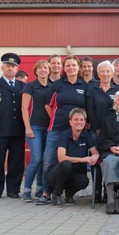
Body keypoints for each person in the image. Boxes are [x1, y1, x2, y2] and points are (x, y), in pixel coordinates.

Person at [37, 55, 88, 205]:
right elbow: (48, 105)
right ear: (63, 68)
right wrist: (56, 118)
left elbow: (86, 109)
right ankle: (46, 192)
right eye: (68, 66)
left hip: (76, 133)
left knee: (73, 164)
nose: (71, 68)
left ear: (78, 68)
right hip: (57, 129)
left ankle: (69, 192)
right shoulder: (57, 85)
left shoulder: (84, 86)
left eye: (74, 65)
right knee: (49, 161)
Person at [47, 108, 99, 207]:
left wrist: (95, 156)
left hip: (75, 174)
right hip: (56, 175)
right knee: (66, 164)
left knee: (84, 181)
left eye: (81, 120)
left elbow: (95, 152)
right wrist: (82, 159)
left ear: (85, 123)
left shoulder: (86, 135)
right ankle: (56, 195)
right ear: (70, 122)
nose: (79, 122)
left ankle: (69, 195)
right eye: (76, 119)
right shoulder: (64, 135)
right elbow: (61, 158)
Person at [86, 60, 119, 203]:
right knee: (96, 161)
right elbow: (90, 111)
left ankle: (109, 191)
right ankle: (97, 190)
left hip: (113, 134)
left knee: (110, 162)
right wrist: (97, 129)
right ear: (98, 73)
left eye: (108, 71)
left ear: (112, 73)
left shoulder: (117, 91)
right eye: (102, 71)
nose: (105, 74)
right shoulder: (92, 90)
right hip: (95, 132)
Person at [21, 60, 52, 202]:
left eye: (45, 67)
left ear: (49, 70)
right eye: (40, 68)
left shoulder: (53, 86)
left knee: (45, 160)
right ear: (36, 71)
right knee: (36, 158)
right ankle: (27, 190)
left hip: (49, 128)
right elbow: (24, 108)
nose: (43, 70)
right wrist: (27, 127)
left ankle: (40, 188)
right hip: (35, 127)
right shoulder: (30, 86)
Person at [0, 53, 25, 198]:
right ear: (3, 67)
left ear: (17, 69)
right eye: (8, 65)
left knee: (16, 161)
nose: (11, 68)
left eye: (13, 66)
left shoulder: (23, 86)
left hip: (17, 130)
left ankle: (13, 190)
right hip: (1, 130)